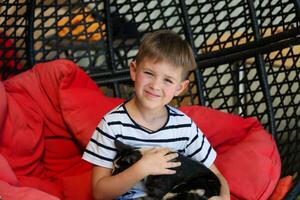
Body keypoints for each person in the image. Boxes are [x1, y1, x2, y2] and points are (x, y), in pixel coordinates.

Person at [82, 30, 230, 200]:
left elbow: (217, 175)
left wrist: (224, 197)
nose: (155, 85)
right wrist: (141, 168)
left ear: (180, 88)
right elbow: (100, 193)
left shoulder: (185, 127)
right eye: (148, 73)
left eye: (167, 80)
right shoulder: (113, 125)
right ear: (133, 71)